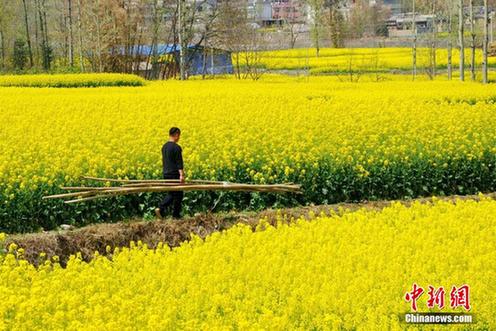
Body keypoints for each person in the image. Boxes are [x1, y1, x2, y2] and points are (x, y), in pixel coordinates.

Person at [155, 127, 184, 219]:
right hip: (174, 173)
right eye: (179, 135)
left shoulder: (164, 147)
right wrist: (181, 175)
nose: (179, 137)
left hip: (166, 173)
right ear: (176, 134)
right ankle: (173, 214)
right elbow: (179, 163)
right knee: (178, 194)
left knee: (172, 193)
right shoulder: (176, 147)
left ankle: (164, 210)